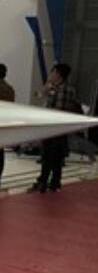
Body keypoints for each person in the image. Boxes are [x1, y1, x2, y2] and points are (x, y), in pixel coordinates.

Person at [30, 63, 79, 193]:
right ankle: (55, 183)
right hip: (62, 129)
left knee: (48, 156)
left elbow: (57, 111)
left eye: (53, 72)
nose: (51, 74)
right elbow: (38, 94)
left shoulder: (61, 90)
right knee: (57, 158)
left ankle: (43, 182)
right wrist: (48, 86)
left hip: (53, 128)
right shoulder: (67, 89)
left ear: (58, 73)